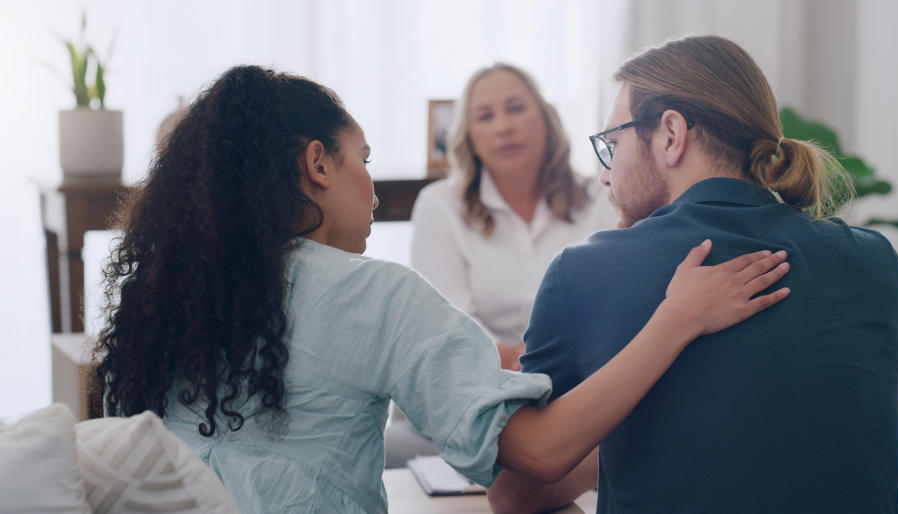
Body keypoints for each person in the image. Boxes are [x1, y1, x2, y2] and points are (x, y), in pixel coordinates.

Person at [94, 65, 790, 514]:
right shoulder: (375, 295)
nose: (372, 188)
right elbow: (539, 453)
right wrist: (677, 319)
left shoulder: (165, 297)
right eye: (362, 161)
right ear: (316, 165)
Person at [487, 35, 898, 514]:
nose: (606, 175)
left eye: (613, 144)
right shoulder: (876, 260)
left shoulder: (583, 272)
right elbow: (885, 456)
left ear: (671, 135)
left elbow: (514, 495)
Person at [389, 63, 618, 467]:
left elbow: (610, 308)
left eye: (516, 108)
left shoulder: (600, 196)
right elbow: (447, 321)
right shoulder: (440, 205)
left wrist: (543, 365)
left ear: (546, 120)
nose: (503, 127)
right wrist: (519, 360)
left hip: (576, 393)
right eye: (485, 116)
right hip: (469, 395)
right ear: (469, 137)